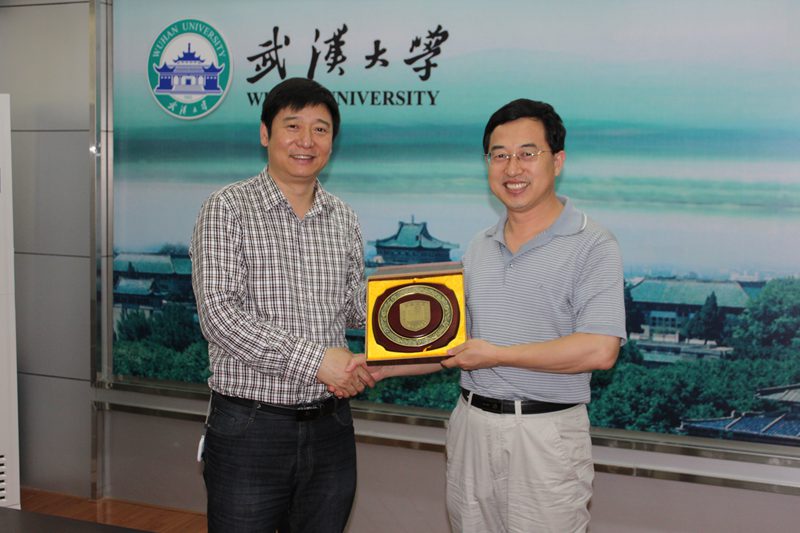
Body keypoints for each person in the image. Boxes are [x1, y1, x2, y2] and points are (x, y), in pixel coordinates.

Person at [361, 99, 626, 533]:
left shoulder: (593, 244)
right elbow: (453, 345)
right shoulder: (478, 246)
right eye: (499, 155)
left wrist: (499, 355)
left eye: (527, 153)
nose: (512, 168)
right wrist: (380, 366)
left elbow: (600, 350)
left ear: (557, 161)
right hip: (471, 427)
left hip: (544, 435)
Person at [190, 77, 374, 533]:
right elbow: (220, 316)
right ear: (265, 133)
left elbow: (353, 308)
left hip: (331, 427)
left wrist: (416, 305)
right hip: (250, 428)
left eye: (320, 129)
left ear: (332, 140)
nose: (306, 141)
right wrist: (318, 362)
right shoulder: (226, 208)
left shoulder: (344, 217)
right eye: (293, 126)